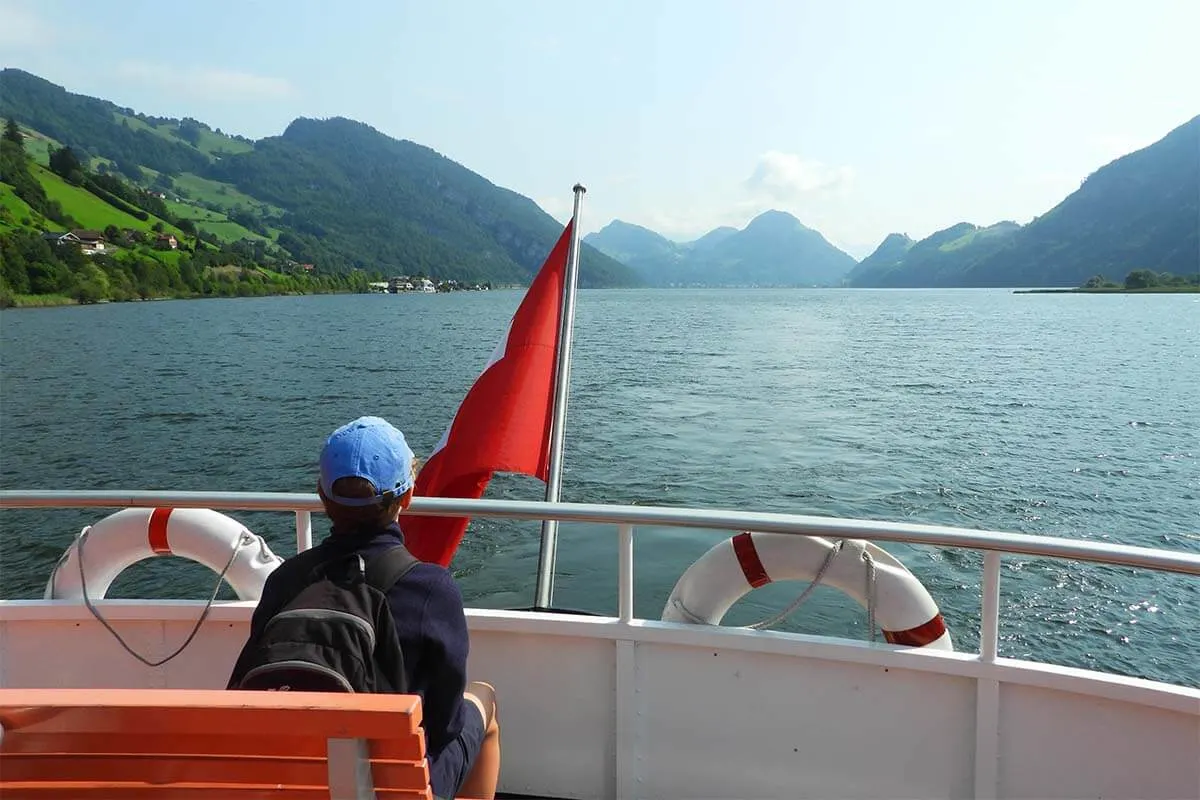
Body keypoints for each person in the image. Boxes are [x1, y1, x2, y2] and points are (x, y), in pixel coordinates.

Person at [227, 416, 500, 800]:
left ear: (322, 497)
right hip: (392, 788)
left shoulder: (286, 580)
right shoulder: (431, 588)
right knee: (482, 701)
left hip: (291, 781)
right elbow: (446, 724)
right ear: (406, 498)